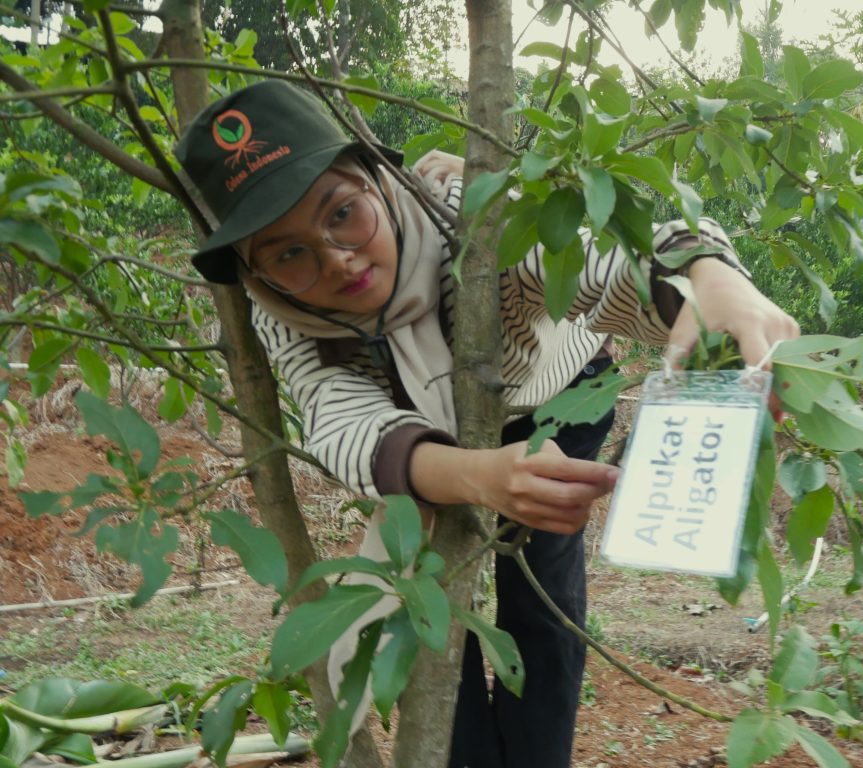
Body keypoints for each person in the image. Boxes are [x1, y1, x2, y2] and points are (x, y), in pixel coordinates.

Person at [175, 80, 798, 768]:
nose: (336, 259)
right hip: (425, 450)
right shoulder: (282, 312)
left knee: (544, 602)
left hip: (556, 400)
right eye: (288, 253)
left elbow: (592, 256)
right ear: (256, 273)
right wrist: (476, 476)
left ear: (380, 183)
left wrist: (703, 272)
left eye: (343, 214)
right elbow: (341, 420)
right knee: (435, 614)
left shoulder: (469, 220)